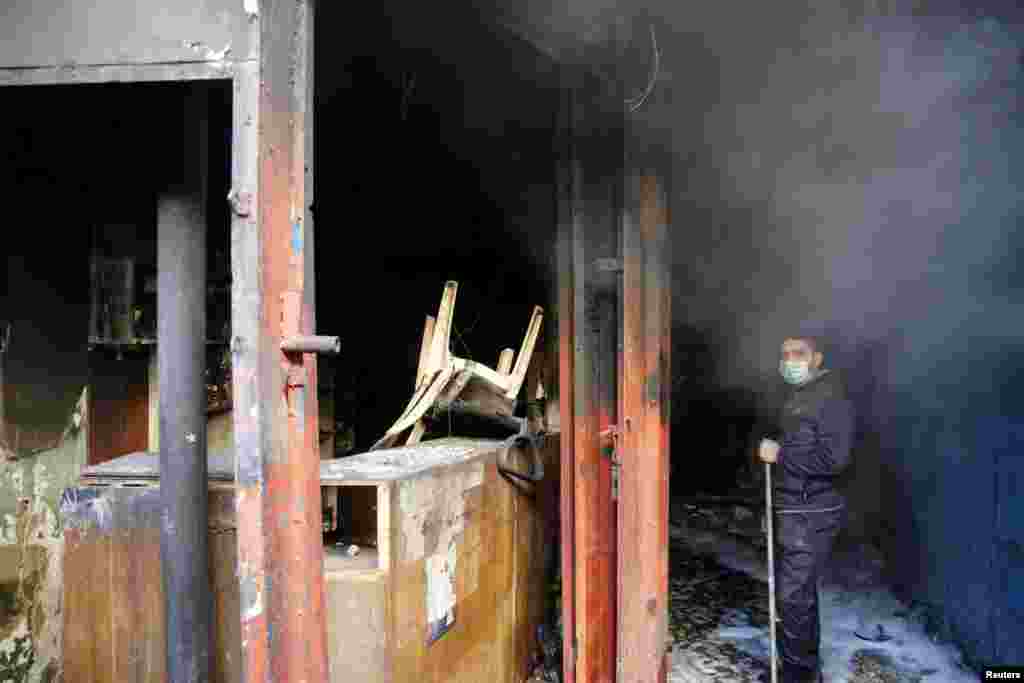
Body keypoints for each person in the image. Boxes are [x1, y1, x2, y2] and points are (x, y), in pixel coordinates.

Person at [758, 333, 854, 683]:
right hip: (794, 507)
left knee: (793, 598)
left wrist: (781, 454)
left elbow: (834, 459)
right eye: (784, 353)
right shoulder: (798, 396)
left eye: (799, 353)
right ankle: (805, 671)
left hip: (812, 511)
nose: (790, 360)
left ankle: (797, 676)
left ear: (816, 358)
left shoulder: (830, 398)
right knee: (798, 595)